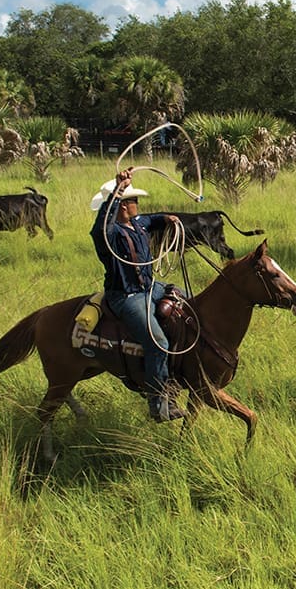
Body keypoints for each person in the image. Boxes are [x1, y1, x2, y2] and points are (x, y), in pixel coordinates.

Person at [90, 168, 185, 422]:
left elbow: (151, 219)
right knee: (158, 343)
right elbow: (100, 228)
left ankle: (181, 372)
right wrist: (118, 189)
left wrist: (167, 218)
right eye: (133, 200)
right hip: (127, 296)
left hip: (149, 287)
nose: (137, 204)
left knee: (187, 302)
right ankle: (157, 400)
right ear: (121, 205)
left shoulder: (137, 223)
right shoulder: (109, 235)